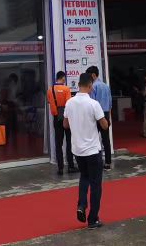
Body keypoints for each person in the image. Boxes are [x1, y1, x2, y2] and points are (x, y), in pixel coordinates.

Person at [64, 72, 109, 230]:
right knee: (96, 185)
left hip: (77, 149)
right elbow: (104, 125)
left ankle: (81, 205)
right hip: (92, 150)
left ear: (78, 85)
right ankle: (92, 219)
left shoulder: (69, 102)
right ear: (90, 86)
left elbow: (65, 125)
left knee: (84, 177)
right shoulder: (93, 104)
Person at [47, 71, 76, 175]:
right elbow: (69, 104)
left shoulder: (50, 90)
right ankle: (71, 166)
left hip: (56, 118)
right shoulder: (66, 89)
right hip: (66, 118)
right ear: (63, 78)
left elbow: (49, 102)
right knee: (69, 141)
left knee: (58, 143)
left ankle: (60, 168)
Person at [86, 66, 113, 169]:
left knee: (93, 139)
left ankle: (95, 161)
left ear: (93, 75)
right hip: (105, 114)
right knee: (106, 139)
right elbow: (110, 103)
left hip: (96, 115)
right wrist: (108, 116)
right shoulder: (106, 86)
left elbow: (91, 103)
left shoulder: (93, 86)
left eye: (89, 76)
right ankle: (108, 162)